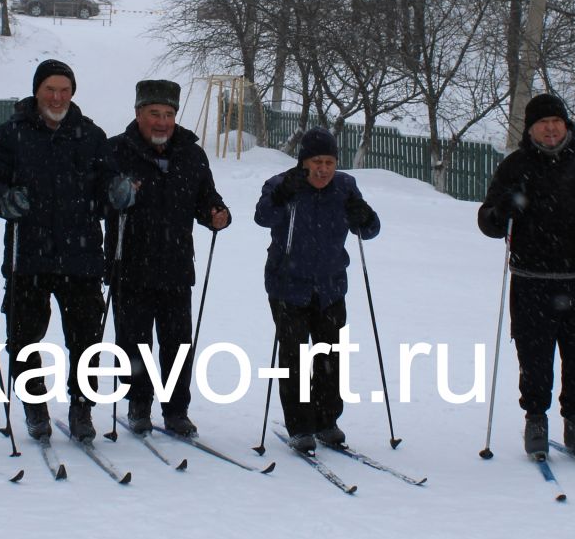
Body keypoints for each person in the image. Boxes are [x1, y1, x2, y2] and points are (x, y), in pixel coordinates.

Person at [0, 58, 126, 443]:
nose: (57, 97)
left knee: (86, 341)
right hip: (28, 255)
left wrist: (117, 193)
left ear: (72, 93)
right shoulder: (12, 133)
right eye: (50, 90)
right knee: (24, 339)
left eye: (64, 90)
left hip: (81, 257)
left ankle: (81, 408)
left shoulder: (90, 135)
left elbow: (108, 188)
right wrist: (3, 199)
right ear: (37, 91)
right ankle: (35, 407)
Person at [477, 93, 575, 462]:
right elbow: (487, 222)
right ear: (530, 129)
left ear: (566, 125)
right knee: (534, 354)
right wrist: (504, 208)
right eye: (542, 123)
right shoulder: (515, 166)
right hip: (532, 278)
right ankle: (536, 420)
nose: (550, 128)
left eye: (555, 122)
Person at [107, 78, 231, 438]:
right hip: (129, 266)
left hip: (176, 267)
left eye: (168, 114)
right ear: (138, 113)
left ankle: (176, 410)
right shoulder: (117, 151)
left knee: (178, 344)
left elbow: (206, 198)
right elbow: (99, 201)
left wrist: (216, 214)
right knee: (134, 343)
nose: (162, 122)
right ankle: (138, 404)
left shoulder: (191, 154)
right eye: (154, 113)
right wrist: (117, 195)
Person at [252, 127, 381, 453]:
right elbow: (262, 217)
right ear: (303, 162)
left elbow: (369, 229)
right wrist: (281, 196)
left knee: (330, 356)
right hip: (287, 285)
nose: (323, 169)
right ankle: (299, 425)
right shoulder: (282, 184)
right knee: (293, 357)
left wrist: (365, 217)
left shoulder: (345, 187)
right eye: (316, 162)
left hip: (330, 285)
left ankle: (326, 421)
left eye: (329, 162)